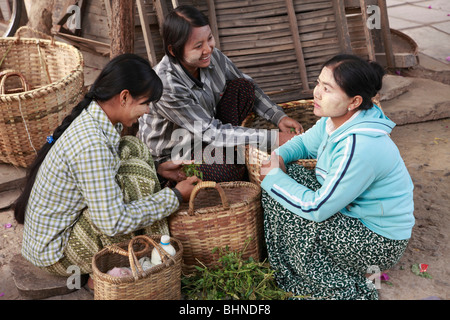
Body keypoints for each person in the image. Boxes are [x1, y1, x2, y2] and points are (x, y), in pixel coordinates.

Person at [13, 54, 200, 280]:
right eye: (145, 103)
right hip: (58, 254)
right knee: (135, 184)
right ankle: (116, 271)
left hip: (57, 233)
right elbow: (113, 222)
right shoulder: (92, 145)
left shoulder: (96, 117)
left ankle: (137, 258)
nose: (148, 111)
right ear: (124, 97)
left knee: (131, 147)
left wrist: (158, 169)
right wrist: (176, 196)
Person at [259, 54, 415, 300]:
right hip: (352, 218)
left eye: (327, 88)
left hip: (376, 242)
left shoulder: (360, 145)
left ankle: (332, 283)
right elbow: (302, 144)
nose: (317, 93)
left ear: (354, 101)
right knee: (290, 177)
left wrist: (271, 177)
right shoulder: (337, 120)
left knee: (281, 195)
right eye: (319, 83)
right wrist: (277, 158)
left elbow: (318, 208)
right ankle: (303, 268)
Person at [138, 5, 303, 183]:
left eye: (209, 38)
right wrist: (275, 138)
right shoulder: (167, 86)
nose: (208, 49)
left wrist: (279, 117)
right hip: (177, 153)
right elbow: (212, 132)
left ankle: (233, 151)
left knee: (243, 88)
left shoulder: (212, 56)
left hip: (208, 132)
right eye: (198, 46)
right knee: (226, 172)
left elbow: (249, 88)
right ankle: (220, 161)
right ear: (173, 50)